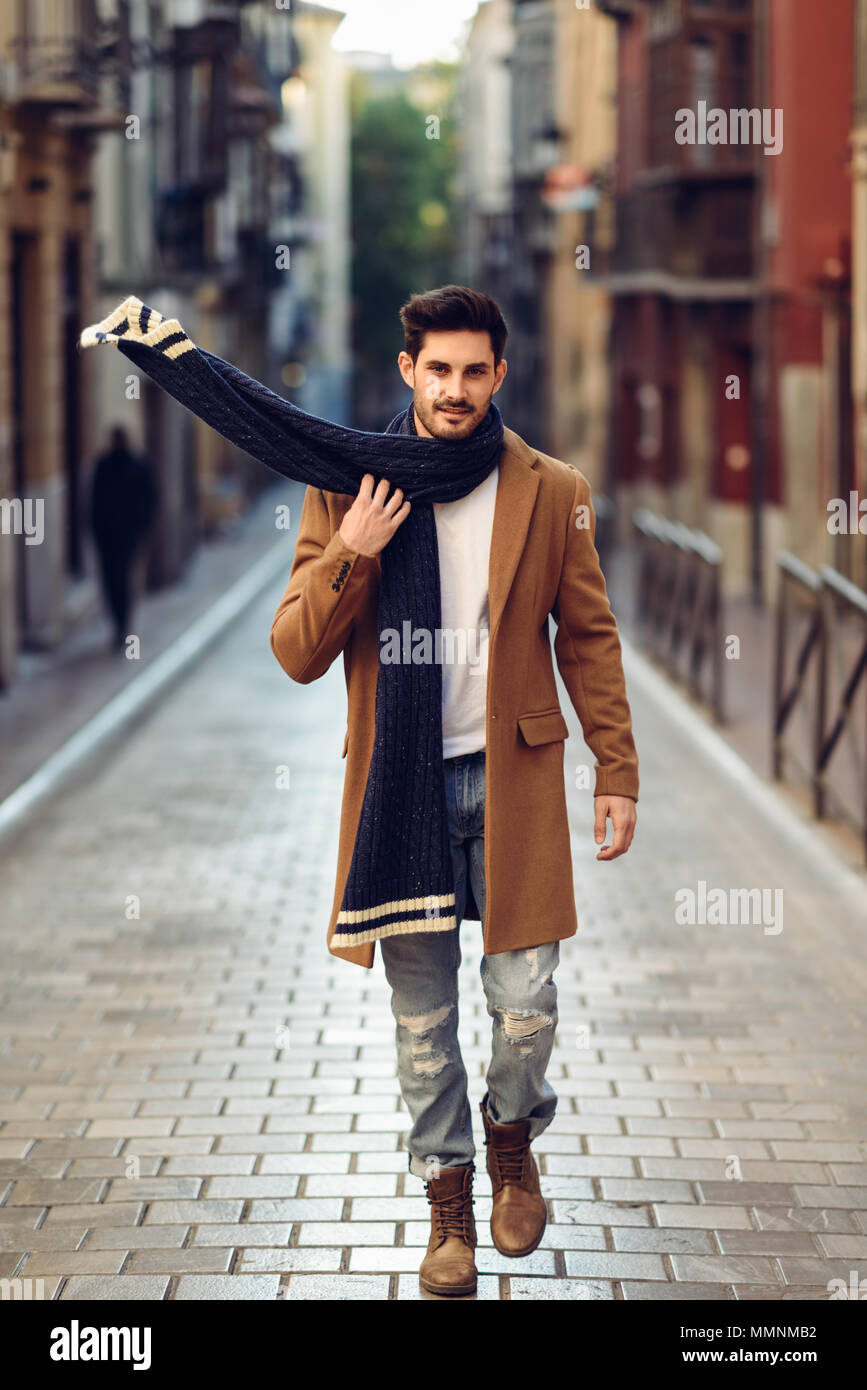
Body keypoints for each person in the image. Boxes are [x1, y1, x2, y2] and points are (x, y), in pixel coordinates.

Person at [270, 286, 639, 1297]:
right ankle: (450, 1214)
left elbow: (590, 637)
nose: (457, 389)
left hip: (511, 778)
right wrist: (356, 550)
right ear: (408, 372)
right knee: (425, 1026)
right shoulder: (350, 484)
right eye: (439, 370)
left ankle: (510, 1133)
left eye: (475, 370)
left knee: (526, 1008)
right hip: (403, 791)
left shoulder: (549, 487)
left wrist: (617, 769)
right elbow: (296, 650)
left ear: (500, 375)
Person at [89, 424, 157, 652]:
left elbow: (148, 499)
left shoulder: (137, 465)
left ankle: (122, 625)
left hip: (127, 537)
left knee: (122, 580)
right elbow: (94, 503)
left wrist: (142, 530)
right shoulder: (103, 465)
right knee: (111, 582)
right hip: (107, 537)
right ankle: (118, 624)